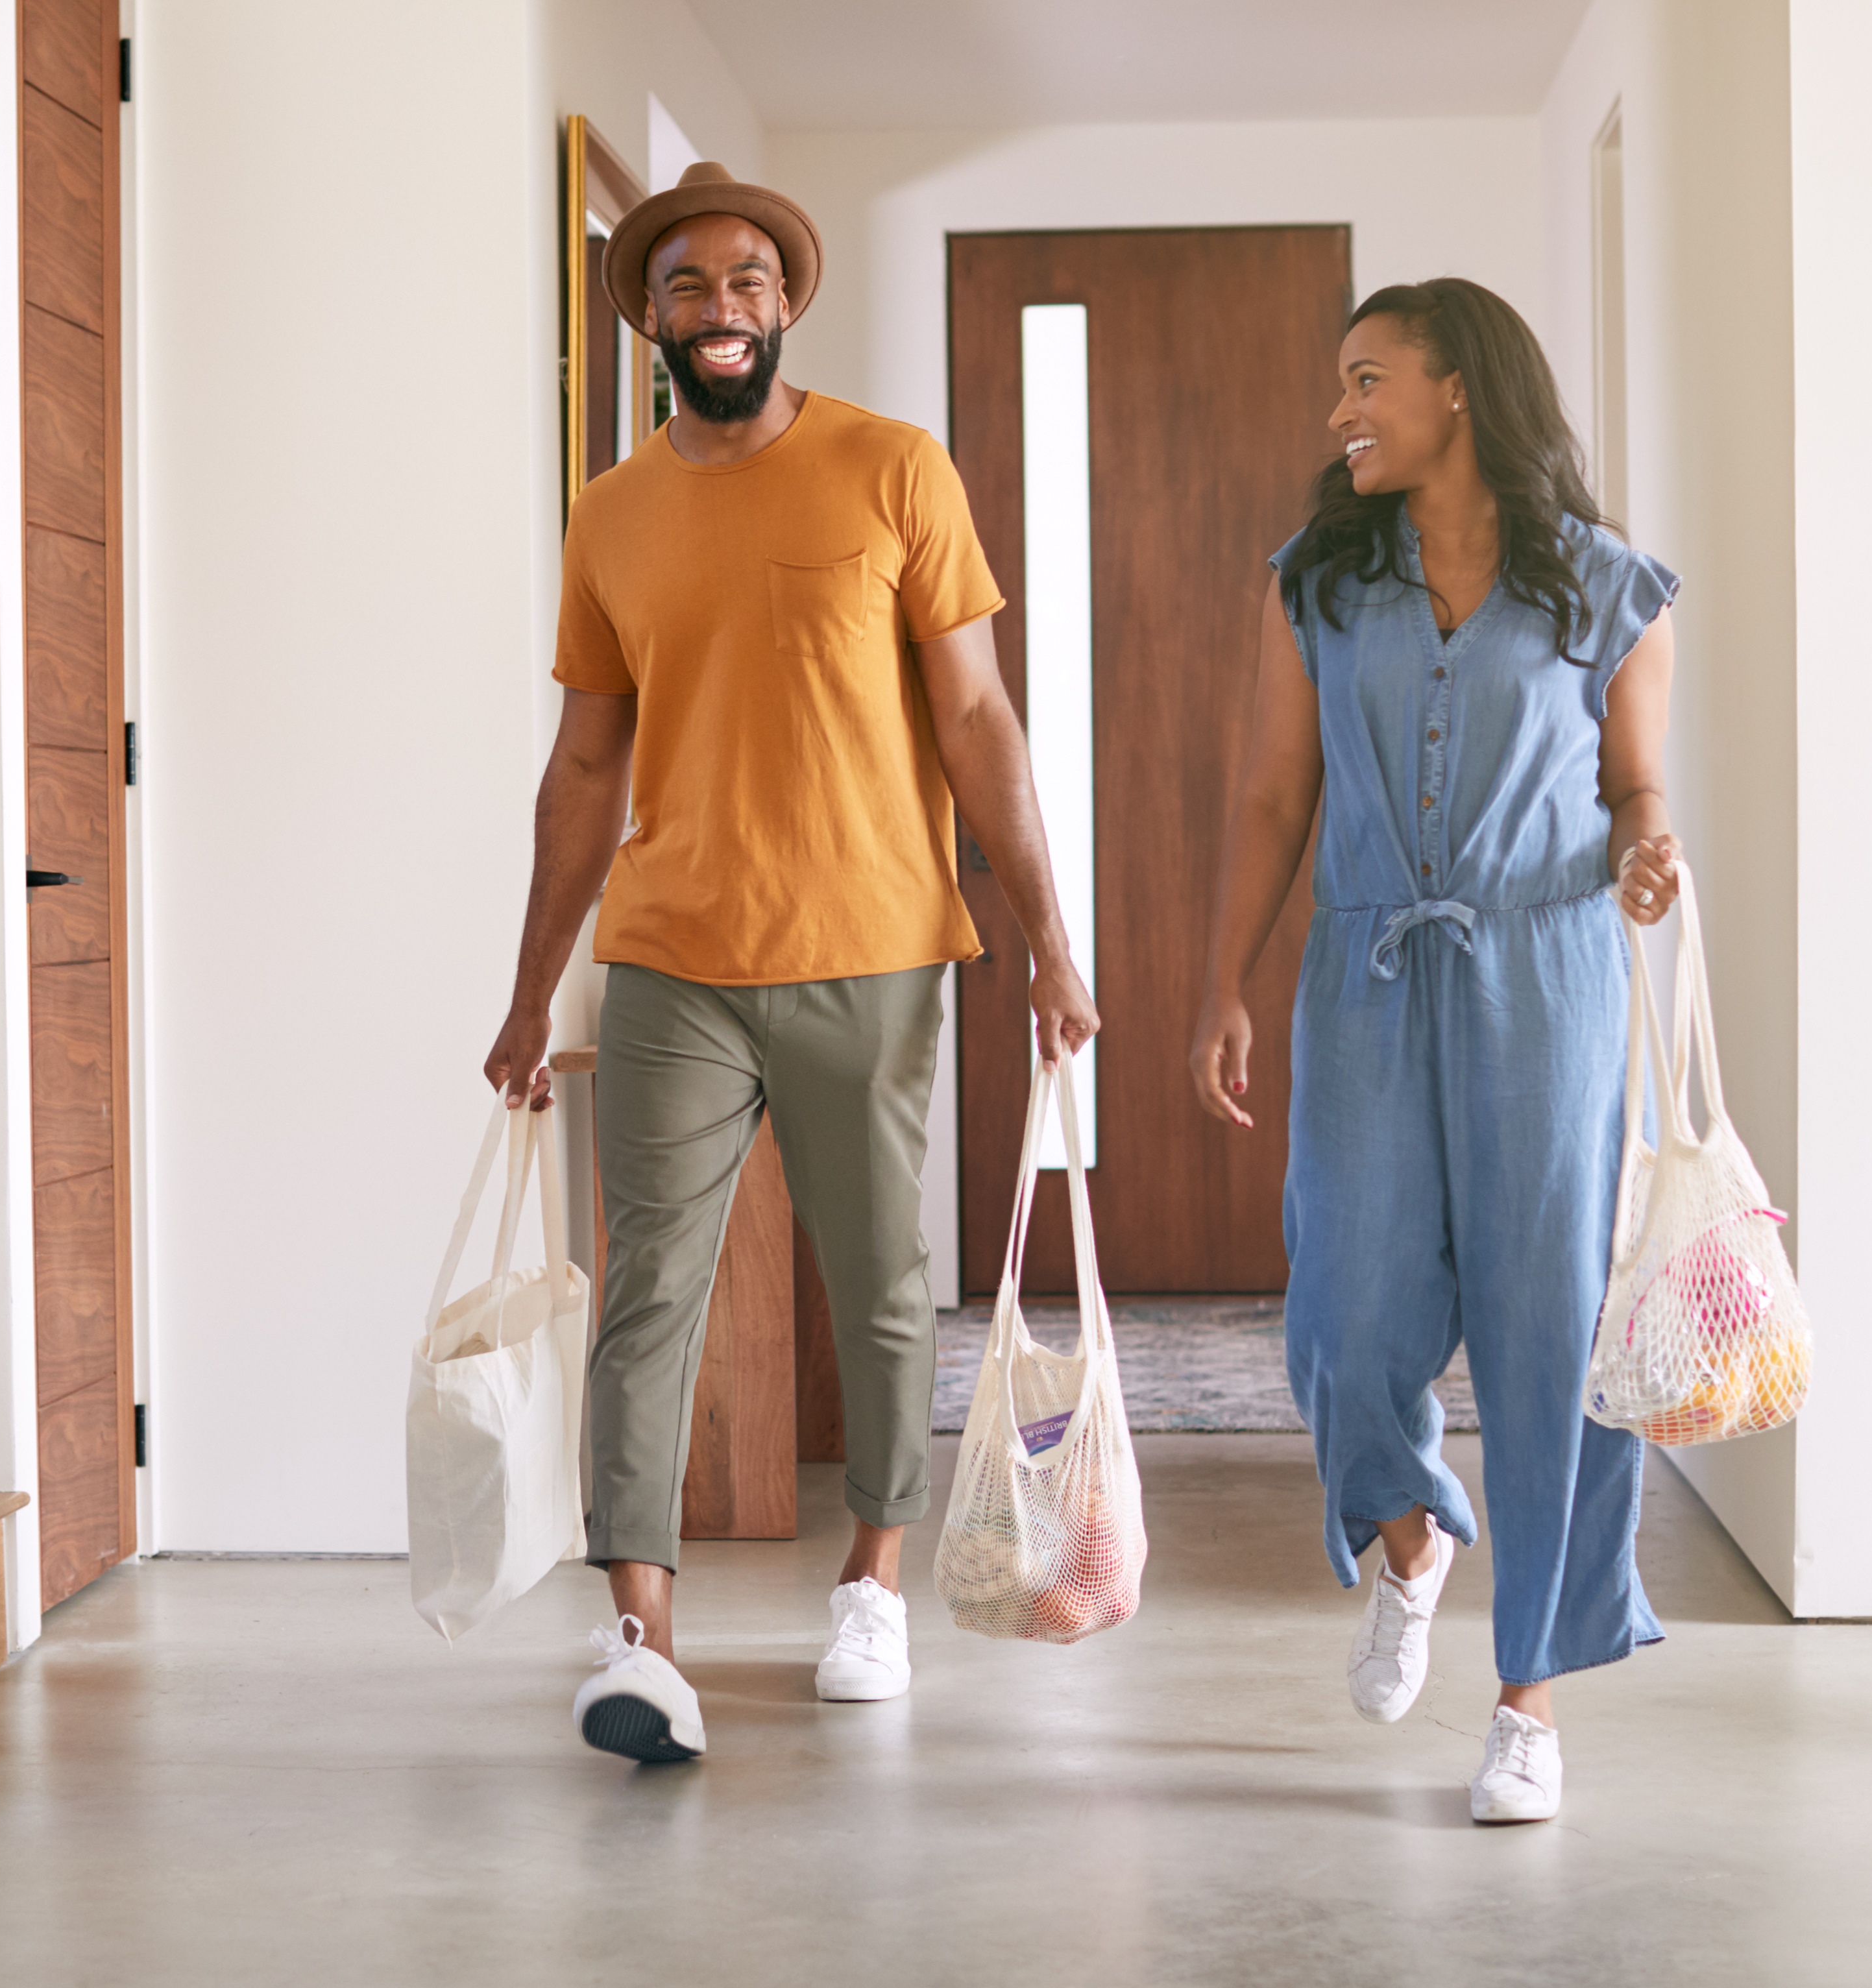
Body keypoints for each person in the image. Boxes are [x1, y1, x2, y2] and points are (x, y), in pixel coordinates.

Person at [483, 162, 1099, 1764]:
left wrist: (1048, 936)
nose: (721, 308)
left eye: (747, 281)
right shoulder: (609, 515)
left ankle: (873, 1583)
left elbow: (977, 721)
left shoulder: (894, 469)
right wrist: (530, 981)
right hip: (672, 957)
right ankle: (639, 1637)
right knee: (645, 1303)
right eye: (687, 287)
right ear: (652, 322)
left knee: (882, 1289)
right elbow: (580, 769)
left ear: (785, 302)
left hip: (873, 952)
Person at [1189, 278, 1681, 1825]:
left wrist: (1652, 851)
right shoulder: (1317, 585)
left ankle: (1527, 1696)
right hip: (1364, 963)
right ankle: (1412, 1538)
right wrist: (1225, 983)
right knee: (1341, 1314)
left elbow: (1637, 789)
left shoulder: (1608, 587)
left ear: (1457, 386)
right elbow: (1273, 800)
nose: (1340, 412)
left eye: (1366, 379)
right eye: (1339, 385)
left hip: (1547, 966)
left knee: (1549, 1338)